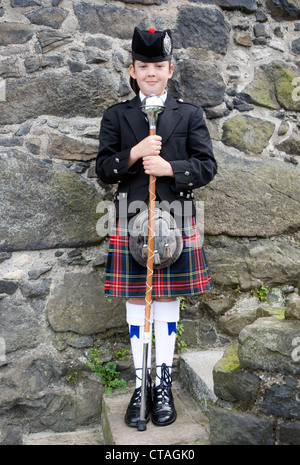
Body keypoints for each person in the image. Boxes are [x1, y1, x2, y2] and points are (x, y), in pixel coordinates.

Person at [96, 27, 217, 428]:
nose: (151, 72)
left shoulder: (190, 114)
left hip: (176, 221)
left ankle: (162, 382)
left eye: (159, 66)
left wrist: (170, 168)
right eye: (143, 66)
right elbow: (103, 169)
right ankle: (140, 383)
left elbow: (207, 167)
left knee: (165, 303)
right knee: (136, 302)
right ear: (132, 70)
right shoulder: (116, 116)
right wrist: (134, 153)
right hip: (130, 218)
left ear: (170, 70)